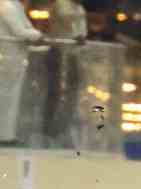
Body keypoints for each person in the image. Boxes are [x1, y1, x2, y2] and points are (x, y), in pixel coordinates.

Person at [0, 0, 42, 144]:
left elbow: (27, 29)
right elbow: (20, 31)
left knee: (9, 99)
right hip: (4, 59)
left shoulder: (16, 6)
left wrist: (35, 35)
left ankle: (5, 135)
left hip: (13, 60)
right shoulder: (5, 6)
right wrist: (38, 36)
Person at [44, 0, 88, 148]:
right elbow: (66, 20)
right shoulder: (61, 4)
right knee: (56, 93)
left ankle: (65, 130)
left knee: (72, 94)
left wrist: (81, 37)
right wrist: (77, 36)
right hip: (59, 52)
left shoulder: (79, 7)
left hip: (73, 55)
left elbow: (81, 30)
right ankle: (50, 132)